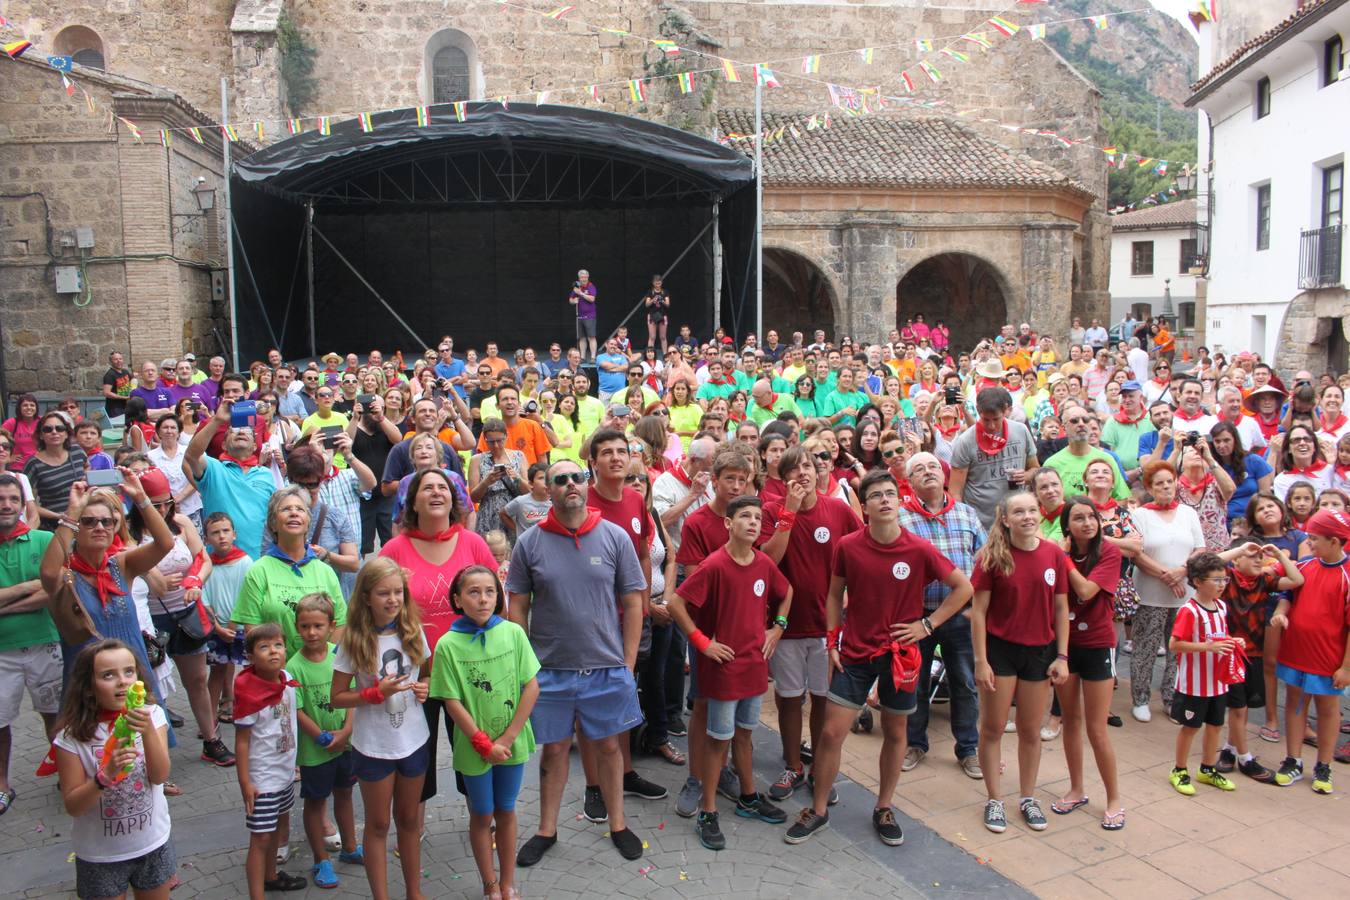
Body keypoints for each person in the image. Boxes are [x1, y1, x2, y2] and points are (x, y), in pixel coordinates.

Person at [785, 469, 973, 846]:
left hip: (901, 658)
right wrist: (833, 640)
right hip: (854, 654)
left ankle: (883, 806)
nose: (885, 500)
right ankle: (819, 809)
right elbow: (835, 595)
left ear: (897, 501)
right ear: (865, 505)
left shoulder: (918, 549)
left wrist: (927, 626)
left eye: (890, 494)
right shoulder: (849, 546)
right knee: (831, 733)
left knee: (896, 732)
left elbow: (963, 587)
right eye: (876, 496)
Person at [506, 460, 647, 866]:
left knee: (608, 748)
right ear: (547, 490)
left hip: (606, 668)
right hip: (549, 671)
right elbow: (517, 603)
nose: (570, 484)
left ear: (587, 485)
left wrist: (628, 661)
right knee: (553, 752)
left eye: (577, 478)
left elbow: (634, 601)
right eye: (560, 480)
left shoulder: (614, 537)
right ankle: (546, 830)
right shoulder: (529, 543)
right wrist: (525, 662)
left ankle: (618, 824)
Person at [667, 495, 792, 850]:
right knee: (717, 740)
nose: (753, 523)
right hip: (723, 669)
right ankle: (708, 810)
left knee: (745, 736)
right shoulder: (715, 565)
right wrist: (702, 642)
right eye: (745, 517)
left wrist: (778, 627)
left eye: (757, 517)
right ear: (728, 523)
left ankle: (749, 797)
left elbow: (787, 592)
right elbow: (676, 602)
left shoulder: (764, 563)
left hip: (754, 665)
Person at [429, 565, 539, 900]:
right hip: (474, 747)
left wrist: (505, 740)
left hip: (510, 744)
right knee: (482, 812)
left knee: (506, 809)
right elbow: (451, 700)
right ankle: (489, 882)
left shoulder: (513, 633)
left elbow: (531, 687)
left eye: (490, 591)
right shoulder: (448, 644)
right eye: (473, 592)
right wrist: (482, 743)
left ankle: (508, 883)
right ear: (458, 599)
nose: (483, 599)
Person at [760, 446, 861, 804]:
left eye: (808, 465)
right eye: (793, 468)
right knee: (789, 698)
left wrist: (850, 595)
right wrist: (788, 510)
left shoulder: (837, 509)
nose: (802, 472)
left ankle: (820, 764)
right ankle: (792, 764)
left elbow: (860, 551)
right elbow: (769, 560)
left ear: (820, 471)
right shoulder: (772, 511)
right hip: (786, 626)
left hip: (826, 627)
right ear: (781, 476)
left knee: (823, 698)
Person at [330, 559, 431, 900]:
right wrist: (375, 694)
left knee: (409, 821)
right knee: (378, 825)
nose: (392, 600)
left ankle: (414, 892)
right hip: (374, 746)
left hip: (414, 740)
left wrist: (425, 687)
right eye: (383, 593)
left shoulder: (413, 630)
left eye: (397, 592)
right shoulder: (354, 640)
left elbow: (427, 674)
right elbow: (337, 697)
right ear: (366, 597)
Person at [970, 492, 1070, 834]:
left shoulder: (1053, 553)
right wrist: (981, 660)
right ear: (1005, 519)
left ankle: (1028, 797)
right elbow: (978, 612)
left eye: (1031, 510)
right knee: (994, 727)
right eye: (1019, 511)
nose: (1027, 516)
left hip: (1039, 653)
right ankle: (994, 799)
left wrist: (1062, 655)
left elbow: (1060, 609)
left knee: (1030, 730)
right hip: (1000, 651)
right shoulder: (992, 557)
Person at [54, 640, 176, 900]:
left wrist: (147, 731)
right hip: (100, 855)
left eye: (129, 671)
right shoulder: (72, 737)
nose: (123, 681)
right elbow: (74, 806)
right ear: (88, 687)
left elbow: (160, 776)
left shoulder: (152, 715)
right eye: (108, 675)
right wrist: (105, 775)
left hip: (152, 843)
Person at [132, 469, 235, 767]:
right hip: (150, 620)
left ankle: (211, 739)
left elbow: (203, 558)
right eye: (154, 504)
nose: (161, 510)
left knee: (198, 680)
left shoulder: (181, 522)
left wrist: (195, 582)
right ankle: (154, 755)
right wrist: (150, 576)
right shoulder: (128, 531)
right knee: (151, 687)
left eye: (165, 503)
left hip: (186, 613)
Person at [894, 452, 985, 779]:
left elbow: (983, 563)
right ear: (911, 481)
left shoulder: (967, 514)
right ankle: (915, 743)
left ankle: (968, 748)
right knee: (914, 683)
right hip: (916, 617)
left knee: (963, 682)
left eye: (933, 466)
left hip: (960, 616)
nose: (927, 472)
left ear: (944, 474)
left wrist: (976, 608)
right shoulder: (901, 519)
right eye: (918, 469)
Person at [1052, 499, 1125, 829]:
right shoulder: (1063, 556)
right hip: (1067, 646)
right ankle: (1077, 789)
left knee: (1096, 728)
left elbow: (1085, 589)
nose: (1087, 523)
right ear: (1068, 526)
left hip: (1098, 645)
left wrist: (1062, 556)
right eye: (1078, 518)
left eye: (1091, 517)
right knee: (1070, 719)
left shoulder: (1109, 552)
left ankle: (1114, 799)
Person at [1269, 508, 1350, 794]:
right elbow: (1286, 595)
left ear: (1335, 542)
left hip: (1329, 658)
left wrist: (1346, 667)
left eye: (1315, 538)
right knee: (1294, 702)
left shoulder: (1347, 574)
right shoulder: (1304, 566)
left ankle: (1324, 765)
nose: (1310, 543)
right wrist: (1280, 613)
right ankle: (1293, 759)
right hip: (1296, 652)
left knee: (1328, 708)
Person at [288, 594, 360, 890]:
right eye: (305, 626)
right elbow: (298, 708)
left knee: (345, 794)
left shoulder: (340, 657)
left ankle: (351, 847)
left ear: (332, 626)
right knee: (316, 803)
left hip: (345, 743)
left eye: (318, 626)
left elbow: (354, 696)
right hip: (315, 750)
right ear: (297, 627)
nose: (312, 633)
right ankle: (321, 859)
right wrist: (320, 735)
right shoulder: (294, 667)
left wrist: (346, 731)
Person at [1216, 541, 1302, 783]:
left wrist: (1278, 556)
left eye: (1260, 558)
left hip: (1254, 652)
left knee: (1242, 705)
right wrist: (1239, 549)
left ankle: (1228, 750)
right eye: (1250, 556)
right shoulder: (1227, 578)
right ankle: (1245, 758)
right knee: (1238, 707)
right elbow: (1206, 564)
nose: (1257, 560)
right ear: (1237, 560)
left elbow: (1296, 580)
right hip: (1230, 652)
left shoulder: (1264, 581)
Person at [233, 623, 307, 897]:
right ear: (251, 657)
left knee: (276, 825)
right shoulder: (248, 691)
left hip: (285, 772)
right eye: (264, 647)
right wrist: (245, 782)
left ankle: (271, 876)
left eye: (277, 645)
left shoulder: (286, 679)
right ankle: (257, 893)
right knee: (261, 837)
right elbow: (241, 741)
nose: (273, 651)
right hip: (262, 778)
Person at [1130, 461, 1206, 722]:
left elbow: (1199, 548)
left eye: (1169, 481)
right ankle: (1140, 698)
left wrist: (1182, 571)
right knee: (1145, 647)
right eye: (1159, 483)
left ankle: (1172, 699)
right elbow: (1136, 554)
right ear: (1150, 487)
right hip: (1150, 593)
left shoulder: (1188, 513)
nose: (1165, 487)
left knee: (1178, 651)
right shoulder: (1140, 515)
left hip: (1183, 595)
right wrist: (1167, 575)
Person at [230, 487, 347, 658]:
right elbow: (252, 630)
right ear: (273, 523)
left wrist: (320, 664)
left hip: (322, 673)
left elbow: (340, 623)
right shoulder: (258, 571)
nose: (294, 513)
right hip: (276, 674)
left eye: (300, 509)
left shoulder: (326, 572)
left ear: (308, 522)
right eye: (285, 509)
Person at [0, 472, 57, 816]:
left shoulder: (43, 539)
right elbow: (39, 590)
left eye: (12, 500)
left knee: (55, 717)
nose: (5, 506)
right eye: (0, 500)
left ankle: (69, 774)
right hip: (2, 651)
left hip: (45, 644)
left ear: (23, 504)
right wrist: (27, 588)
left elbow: (54, 590)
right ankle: (2, 785)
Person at [1165, 552, 1239, 797]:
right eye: (1216, 580)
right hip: (1193, 685)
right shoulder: (1190, 611)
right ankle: (1179, 769)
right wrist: (1208, 647)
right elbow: (1175, 644)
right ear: (1197, 581)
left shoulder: (1222, 607)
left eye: (1224, 580)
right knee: (1190, 727)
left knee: (1216, 725)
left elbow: (1220, 638)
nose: (1221, 585)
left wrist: (1232, 642)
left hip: (1217, 682)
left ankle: (1207, 768)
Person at [184, 396, 276, 559]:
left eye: (248, 431)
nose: (241, 431)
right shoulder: (213, 468)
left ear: (255, 446)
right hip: (220, 563)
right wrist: (217, 420)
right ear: (224, 445)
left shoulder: (266, 475)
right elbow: (191, 455)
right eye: (233, 431)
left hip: (259, 561)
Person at [949, 387, 1039, 529]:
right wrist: (964, 524)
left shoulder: (1021, 431)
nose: (991, 426)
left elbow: (1035, 469)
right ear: (978, 410)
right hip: (981, 524)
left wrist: (1025, 476)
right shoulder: (965, 441)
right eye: (986, 420)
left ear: (1006, 410)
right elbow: (955, 491)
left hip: (1018, 520)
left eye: (996, 419)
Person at [24, 411, 88, 530]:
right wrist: (59, 516)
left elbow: (87, 468)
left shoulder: (77, 451)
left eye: (60, 428)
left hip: (85, 518)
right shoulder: (33, 463)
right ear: (41, 435)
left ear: (66, 433)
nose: (54, 432)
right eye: (48, 429)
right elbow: (28, 503)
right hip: (54, 524)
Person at [469, 418, 527, 540]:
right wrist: (486, 482)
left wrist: (517, 478)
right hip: (487, 518)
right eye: (491, 442)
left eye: (499, 441)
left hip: (513, 516)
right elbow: (473, 497)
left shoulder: (519, 456)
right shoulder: (476, 460)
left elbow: (529, 492)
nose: (496, 445)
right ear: (485, 440)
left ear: (506, 436)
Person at [1272, 423, 1332, 500]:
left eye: (1307, 439)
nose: (1302, 443)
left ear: (1314, 447)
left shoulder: (1329, 470)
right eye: (1296, 440)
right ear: (1289, 449)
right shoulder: (1282, 480)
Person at [500, 461, 552, 541]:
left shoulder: (556, 503)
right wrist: (518, 530)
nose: (546, 482)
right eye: (541, 478)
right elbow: (503, 514)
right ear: (531, 484)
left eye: (548, 478)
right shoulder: (520, 501)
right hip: (526, 548)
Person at [569, 269, 599, 361]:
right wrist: (574, 301)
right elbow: (570, 299)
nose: (584, 279)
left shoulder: (590, 286)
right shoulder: (577, 286)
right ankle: (582, 357)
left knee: (591, 337)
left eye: (585, 277)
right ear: (579, 278)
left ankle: (593, 357)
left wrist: (581, 293)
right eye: (582, 277)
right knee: (581, 337)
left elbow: (592, 299)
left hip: (589, 316)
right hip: (579, 316)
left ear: (588, 277)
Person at [643, 274, 671, 352]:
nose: (657, 285)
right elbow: (647, 304)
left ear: (661, 283)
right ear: (653, 283)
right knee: (652, 337)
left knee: (663, 337)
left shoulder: (665, 291)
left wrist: (662, 300)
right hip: (652, 315)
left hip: (662, 315)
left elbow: (668, 304)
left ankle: (665, 355)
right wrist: (653, 299)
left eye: (659, 283)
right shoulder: (650, 292)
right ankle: (650, 354)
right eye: (656, 283)